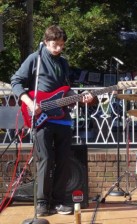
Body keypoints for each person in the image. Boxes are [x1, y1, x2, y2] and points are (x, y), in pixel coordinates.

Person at [11, 25, 94, 216]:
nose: (59, 49)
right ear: (46, 41)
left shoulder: (63, 63)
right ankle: (42, 202)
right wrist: (30, 103)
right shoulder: (35, 59)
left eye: (62, 45)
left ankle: (58, 201)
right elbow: (16, 81)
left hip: (62, 118)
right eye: (55, 45)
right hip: (41, 117)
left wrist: (81, 98)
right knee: (46, 159)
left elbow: (66, 89)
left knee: (64, 160)